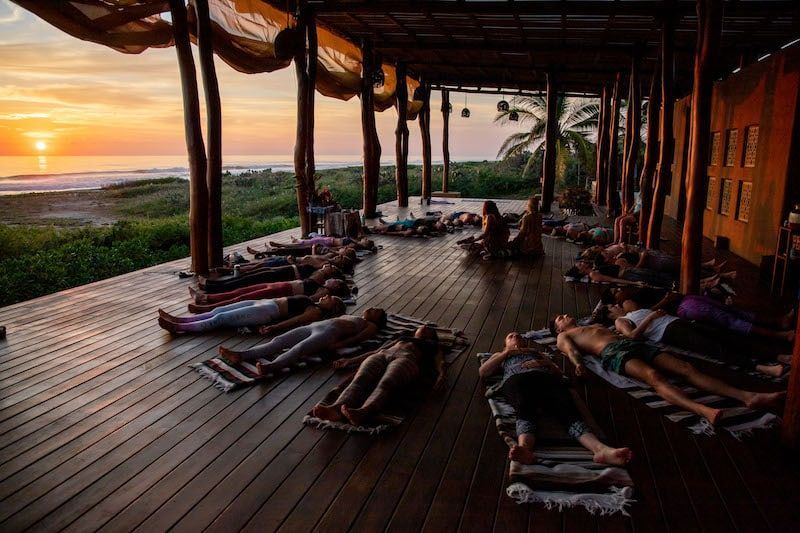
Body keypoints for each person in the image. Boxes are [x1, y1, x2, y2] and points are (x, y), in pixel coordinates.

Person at [550, 314, 786, 425]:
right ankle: (702, 409)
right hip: (613, 353)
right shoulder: (564, 336)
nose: (565, 316)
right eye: (560, 318)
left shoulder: (592, 323)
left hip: (631, 343)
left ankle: (749, 397)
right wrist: (579, 364)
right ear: (558, 328)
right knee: (654, 377)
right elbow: (571, 352)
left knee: (686, 368)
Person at [479, 332, 633, 466]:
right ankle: (525, 449)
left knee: (566, 408)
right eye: (511, 336)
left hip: (544, 378)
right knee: (524, 406)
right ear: (505, 343)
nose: (515, 337)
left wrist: (544, 362)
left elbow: (559, 374)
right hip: (516, 379)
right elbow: (483, 372)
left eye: (518, 335)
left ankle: (600, 450)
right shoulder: (500, 355)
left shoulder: (535, 352)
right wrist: (506, 353)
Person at [613, 299, 788, 377]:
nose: (616, 306)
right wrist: (651, 318)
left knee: (726, 336)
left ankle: (776, 356)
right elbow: (632, 336)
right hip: (669, 332)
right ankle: (761, 368)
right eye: (612, 307)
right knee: (713, 347)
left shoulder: (635, 311)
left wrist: (658, 309)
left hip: (678, 321)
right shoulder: (620, 320)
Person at [311, 325, 446, 425]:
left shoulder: (433, 345)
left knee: (386, 383)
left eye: (428, 329)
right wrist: (350, 360)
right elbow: (379, 350)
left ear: (432, 336)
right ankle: (335, 409)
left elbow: (440, 361)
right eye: (422, 326)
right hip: (383, 355)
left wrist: (441, 375)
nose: (424, 327)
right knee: (360, 378)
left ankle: (363, 412)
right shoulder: (404, 338)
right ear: (415, 332)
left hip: (407, 359)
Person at [219, 308, 387, 376]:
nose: (372, 309)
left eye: (376, 311)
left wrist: (340, 345)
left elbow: (359, 338)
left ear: (377, 319)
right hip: (315, 326)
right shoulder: (355, 316)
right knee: (278, 340)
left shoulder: (371, 325)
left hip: (329, 333)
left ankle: (271, 366)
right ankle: (241, 355)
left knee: (299, 349)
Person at [157, 294, 346, 334]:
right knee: (219, 310)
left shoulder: (314, 311)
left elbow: (295, 321)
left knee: (220, 319)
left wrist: (274, 328)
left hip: (267, 312)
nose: (327, 296)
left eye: (331, 298)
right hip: (265, 303)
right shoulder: (312, 301)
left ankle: (180, 328)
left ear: (332, 308)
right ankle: (180, 319)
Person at [187, 277, 351, 313]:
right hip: (279, 285)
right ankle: (205, 298)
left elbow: (310, 301)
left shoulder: (324, 291)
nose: (331, 279)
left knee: (242, 298)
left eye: (334, 280)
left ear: (335, 286)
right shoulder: (321, 284)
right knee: (241, 292)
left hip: (281, 291)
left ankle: (207, 307)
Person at [199, 263, 344, 293]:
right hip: (282, 270)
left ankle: (212, 287)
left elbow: (305, 282)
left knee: (247, 281)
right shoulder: (319, 271)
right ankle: (211, 284)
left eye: (331, 267)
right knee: (248, 276)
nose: (328, 265)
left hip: (282, 275)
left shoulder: (319, 277)